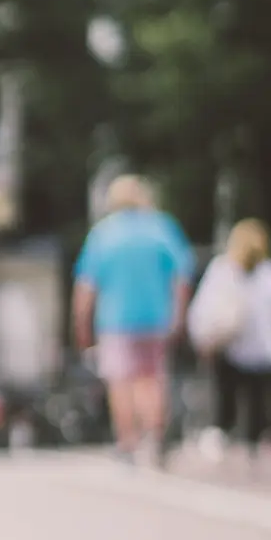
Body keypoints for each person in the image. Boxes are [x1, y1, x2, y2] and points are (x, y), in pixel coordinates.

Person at [72, 174, 195, 461]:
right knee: (152, 379)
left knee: (121, 380)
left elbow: (86, 286)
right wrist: (179, 315)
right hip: (156, 318)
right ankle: (155, 435)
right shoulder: (162, 227)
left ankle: (128, 441)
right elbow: (182, 278)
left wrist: (81, 325)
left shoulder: (104, 233)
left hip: (115, 320)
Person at [189, 219, 271, 461]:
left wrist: (202, 337)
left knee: (226, 399)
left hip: (231, 348)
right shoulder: (266, 274)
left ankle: (224, 439)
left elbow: (204, 310)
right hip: (261, 352)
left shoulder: (223, 270)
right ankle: (252, 448)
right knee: (257, 403)